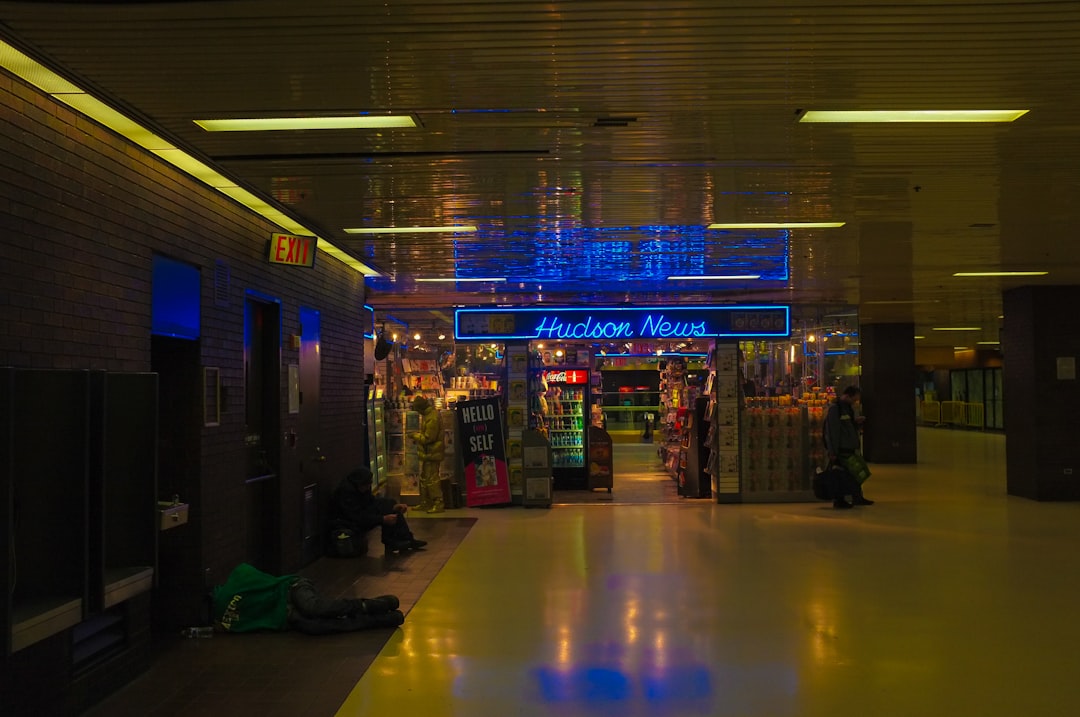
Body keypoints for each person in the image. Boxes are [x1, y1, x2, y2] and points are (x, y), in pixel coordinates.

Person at [212, 562, 404, 635]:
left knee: (314, 608)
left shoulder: (236, 580)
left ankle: (373, 605)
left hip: (292, 588)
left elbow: (250, 574)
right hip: (286, 614)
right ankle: (381, 619)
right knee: (316, 626)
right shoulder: (229, 621)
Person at [330, 466, 428, 553]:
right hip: (348, 522)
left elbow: (372, 501)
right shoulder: (346, 493)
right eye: (366, 485)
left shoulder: (361, 487)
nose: (368, 487)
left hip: (360, 514)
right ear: (358, 483)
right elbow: (357, 517)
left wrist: (394, 507)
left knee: (390, 504)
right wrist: (382, 519)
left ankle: (405, 539)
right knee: (387, 513)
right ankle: (392, 542)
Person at [823, 385, 874, 508]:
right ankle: (840, 499)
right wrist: (832, 451)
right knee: (842, 475)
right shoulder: (836, 409)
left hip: (849, 448)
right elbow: (832, 432)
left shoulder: (847, 409)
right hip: (841, 449)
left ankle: (856, 496)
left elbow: (846, 427)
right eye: (854, 399)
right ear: (847, 396)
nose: (855, 402)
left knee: (854, 473)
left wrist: (855, 423)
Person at [409, 395, 446, 513]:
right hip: (428, 453)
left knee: (432, 479)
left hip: (432, 453)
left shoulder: (432, 418)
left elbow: (428, 438)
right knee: (425, 478)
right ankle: (426, 502)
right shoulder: (428, 415)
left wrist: (415, 435)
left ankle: (438, 502)